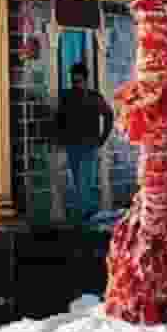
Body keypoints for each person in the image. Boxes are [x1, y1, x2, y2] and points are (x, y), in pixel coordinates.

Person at [52, 63, 114, 222]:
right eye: (74, 81)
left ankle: (85, 216)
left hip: (89, 145)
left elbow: (108, 115)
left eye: (79, 81)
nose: (76, 84)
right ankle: (83, 215)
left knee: (85, 180)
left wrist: (102, 138)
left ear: (85, 80)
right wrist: (59, 138)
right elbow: (59, 119)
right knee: (77, 181)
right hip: (72, 144)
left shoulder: (94, 97)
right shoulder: (67, 96)